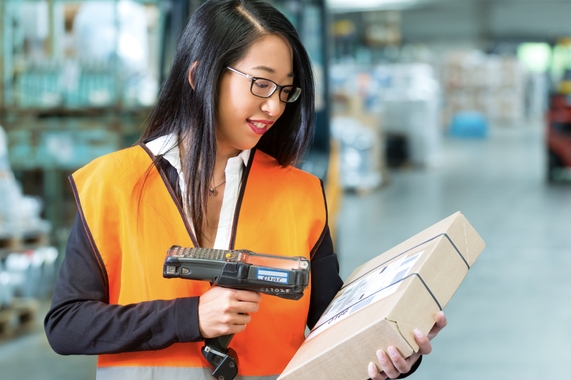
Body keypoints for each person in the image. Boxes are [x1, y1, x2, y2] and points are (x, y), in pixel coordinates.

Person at [43, 1, 446, 379]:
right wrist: (191, 317)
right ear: (200, 77)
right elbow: (66, 326)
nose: (274, 107)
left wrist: (389, 352)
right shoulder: (112, 184)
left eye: (285, 90)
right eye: (261, 84)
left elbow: (333, 325)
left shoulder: (299, 194)